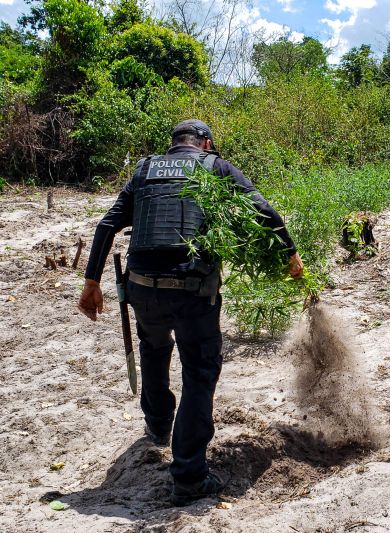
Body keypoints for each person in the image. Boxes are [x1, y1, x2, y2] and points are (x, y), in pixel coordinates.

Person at [77, 119, 303, 505]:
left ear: (174, 145)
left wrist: (92, 282)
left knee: (153, 349)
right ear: (207, 144)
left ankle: (158, 425)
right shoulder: (215, 167)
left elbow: (107, 224)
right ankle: (189, 475)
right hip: (192, 291)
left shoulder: (146, 170)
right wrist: (290, 252)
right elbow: (262, 209)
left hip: (143, 289)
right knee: (199, 372)